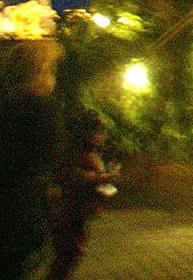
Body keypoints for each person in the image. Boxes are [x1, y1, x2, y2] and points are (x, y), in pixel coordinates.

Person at [0, 41, 63, 279]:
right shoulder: (37, 107)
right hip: (16, 218)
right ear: (40, 69)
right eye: (51, 68)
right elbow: (51, 159)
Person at [47, 114, 115, 280]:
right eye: (98, 132)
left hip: (79, 215)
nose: (102, 137)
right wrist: (100, 178)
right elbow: (71, 176)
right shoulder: (76, 154)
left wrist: (107, 183)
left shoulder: (89, 154)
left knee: (68, 259)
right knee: (65, 259)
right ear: (86, 133)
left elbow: (98, 185)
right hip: (70, 214)